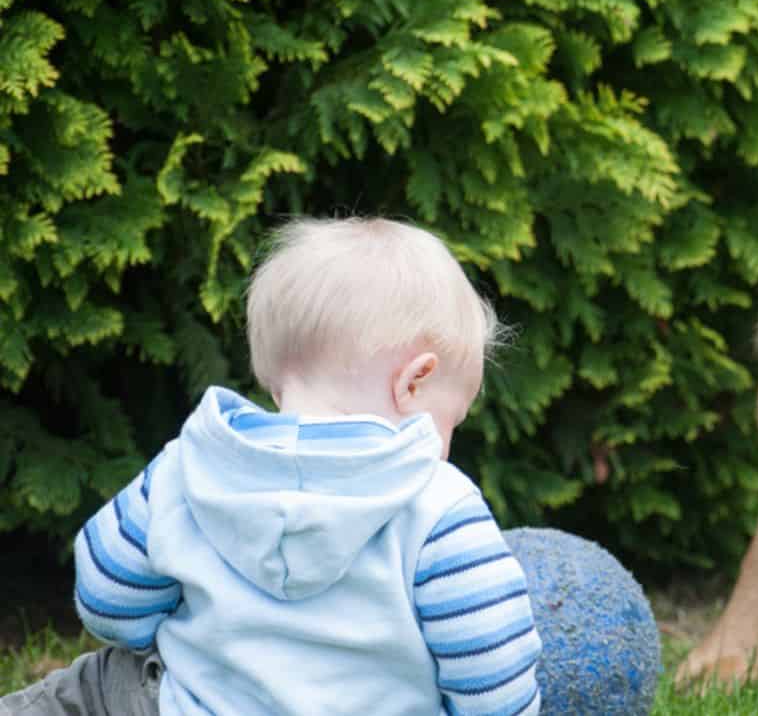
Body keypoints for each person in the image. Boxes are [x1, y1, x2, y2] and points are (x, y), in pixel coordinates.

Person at [2, 217, 541, 715]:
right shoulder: (440, 505)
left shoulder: (190, 464)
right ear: (414, 382)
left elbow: (106, 598)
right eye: (453, 420)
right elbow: (495, 679)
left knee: (100, 680)